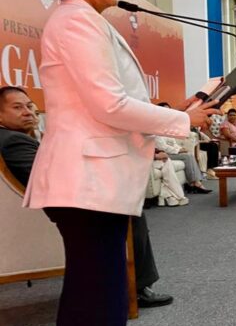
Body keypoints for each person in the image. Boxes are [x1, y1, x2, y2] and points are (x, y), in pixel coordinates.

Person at [27, 0, 218, 326]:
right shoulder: (74, 23)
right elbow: (109, 107)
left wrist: (175, 120)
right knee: (96, 297)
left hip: (93, 182)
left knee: (102, 294)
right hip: (85, 182)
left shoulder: (83, 21)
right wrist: (182, 120)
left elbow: (112, 105)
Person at [0, 87, 176, 305]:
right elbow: (47, 181)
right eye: (17, 107)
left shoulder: (17, 137)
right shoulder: (13, 141)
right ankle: (136, 288)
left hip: (54, 201)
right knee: (129, 209)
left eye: (29, 106)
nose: (28, 112)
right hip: (62, 209)